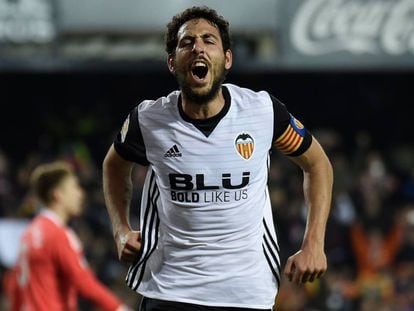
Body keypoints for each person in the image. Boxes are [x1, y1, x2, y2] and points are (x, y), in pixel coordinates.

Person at [102, 6, 333, 311]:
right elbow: (114, 166)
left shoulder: (261, 112)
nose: (197, 47)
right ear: (172, 63)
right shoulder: (149, 120)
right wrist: (120, 229)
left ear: (227, 59)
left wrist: (314, 244)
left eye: (209, 40)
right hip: (170, 290)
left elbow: (317, 164)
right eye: (187, 43)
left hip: (246, 293)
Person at [7, 161, 131, 311]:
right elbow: (83, 281)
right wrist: (119, 307)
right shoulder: (58, 235)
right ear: (58, 194)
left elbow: (15, 286)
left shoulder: (28, 234)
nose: (80, 194)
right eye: (74, 187)